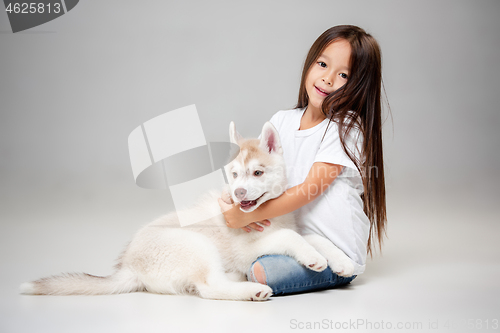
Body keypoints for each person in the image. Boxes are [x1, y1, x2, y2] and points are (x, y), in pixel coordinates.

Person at [218, 25, 387, 296]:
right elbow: (249, 169)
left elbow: (311, 189)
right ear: (309, 64)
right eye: (322, 64)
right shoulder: (282, 121)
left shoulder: (346, 127)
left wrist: (244, 216)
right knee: (233, 250)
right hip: (295, 237)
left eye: (343, 74)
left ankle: (329, 272)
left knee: (261, 271)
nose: (328, 79)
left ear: (358, 85)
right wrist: (232, 205)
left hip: (335, 251)